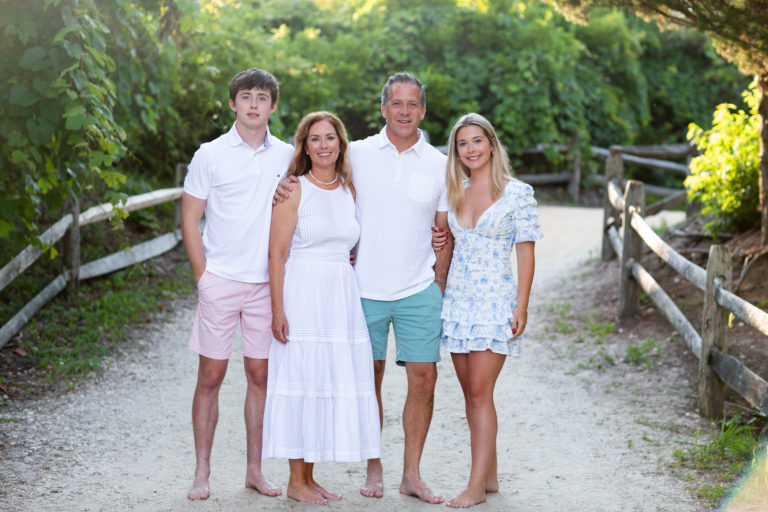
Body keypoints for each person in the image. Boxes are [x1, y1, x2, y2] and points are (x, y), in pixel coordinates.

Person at [274, 72, 453, 503]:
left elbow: (443, 230)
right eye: (396, 103)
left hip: (417, 290)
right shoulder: (356, 154)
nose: (404, 111)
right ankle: (375, 466)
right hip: (361, 290)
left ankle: (412, 473)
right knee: (365, 379)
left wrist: (438, 285)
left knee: (424, 379)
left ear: (423, 110)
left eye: (413, 104)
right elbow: (317, 178)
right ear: (383, 108)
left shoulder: (438, 162)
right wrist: (285, 182)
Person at [181, 68, 293, 501]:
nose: (253, 104)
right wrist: (202, 275)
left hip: (267, 284)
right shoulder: (210, 154)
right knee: (211, 375)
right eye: (245, 96)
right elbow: (190, 217)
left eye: (262, 97)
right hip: (220, 281)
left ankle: (254, 471)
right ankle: (202, 471)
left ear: (273, 106)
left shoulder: (287, 155)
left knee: (260, 375)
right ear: (232, 103)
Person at [263, 111, 381, 504]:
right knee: (302, 377)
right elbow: (276, 255)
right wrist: (278, 310)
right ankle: (295, 480)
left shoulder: (349, 189)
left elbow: (352, 241)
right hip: (304, 291)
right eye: (315, 139)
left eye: (330, 137)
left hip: (340, 296)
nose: (324, 145)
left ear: (341, 143)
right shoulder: (294, 188)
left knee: (324, 382)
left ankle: (309, 477)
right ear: (305, 146)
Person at [433, 113, 542, 508]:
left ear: (492, 144)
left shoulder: (517, 194)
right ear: (456, 152)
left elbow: (526, 253)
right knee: (470, 393)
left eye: (477, 141)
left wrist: (522, 305)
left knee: (480, 392)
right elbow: (442, 241)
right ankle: (489, 475)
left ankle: (475, 486)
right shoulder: (454, 192)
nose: (470, 149)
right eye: (462, 144)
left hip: (496, 303)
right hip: (458, 304)